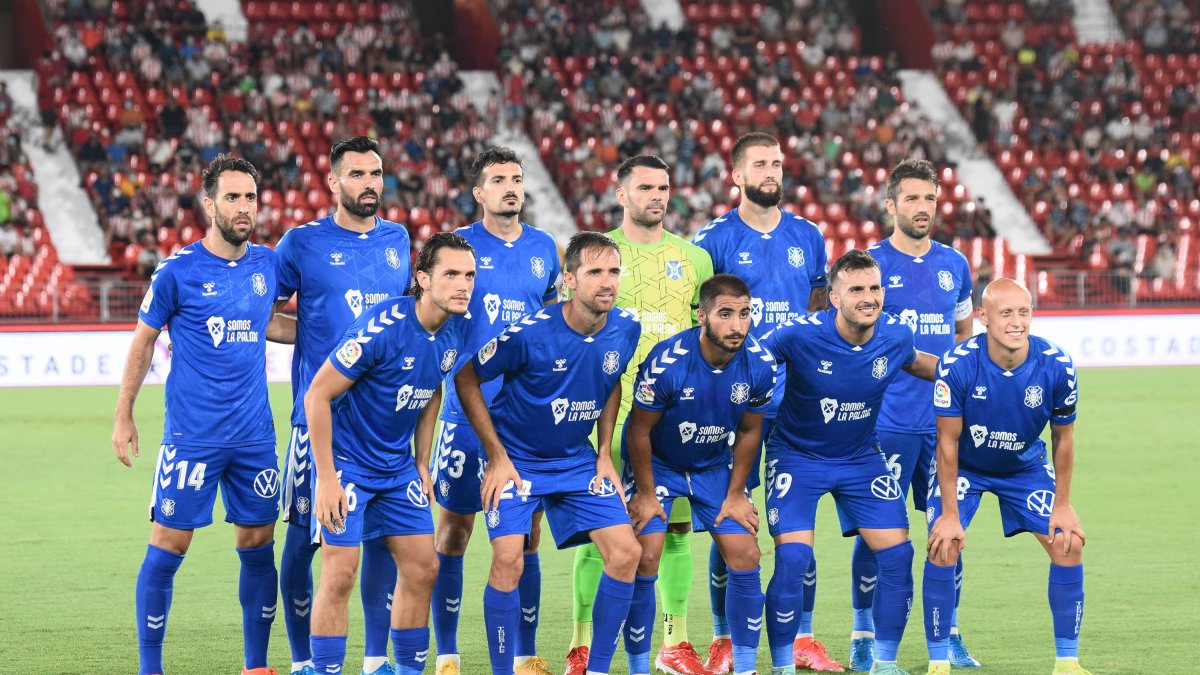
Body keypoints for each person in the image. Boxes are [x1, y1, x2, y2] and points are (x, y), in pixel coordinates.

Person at [112, 154, 293, 675]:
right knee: (169, 544)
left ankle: (255, 666)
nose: (244, 207)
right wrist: (124, 413)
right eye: (232, 197)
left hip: (255, 436)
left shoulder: (267, 264)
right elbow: (144, 341)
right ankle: (151, 669)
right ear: (209, 205)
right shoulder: (178, 271)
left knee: (259, 545)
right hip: (192, 438)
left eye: (250, 197)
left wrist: (330, 340)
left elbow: (270, 324)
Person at [454, 232, 642, 675]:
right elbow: (466, 377)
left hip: (577, 460)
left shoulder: (626, 327)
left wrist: (603, 456)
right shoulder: (529, 333)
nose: (607, 282)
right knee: (508, 557)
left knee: (626, 553)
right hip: (516, 459)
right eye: (594, 272)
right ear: (569, 280)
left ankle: (595, 669)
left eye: (613, 271)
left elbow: (611, 379)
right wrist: (496, 456)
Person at [303, 232, 475, 675]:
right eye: (451, 274)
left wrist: (422, 459)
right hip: (348, 467)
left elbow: (433, 387)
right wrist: (326, 478)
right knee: (340, 574)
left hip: (398, 471)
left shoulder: (458, 326)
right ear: (422, 278)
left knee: (422, 568)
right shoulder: (380, 328)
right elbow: (317, 396)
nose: (463, 284)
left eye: (469, 275)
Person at [761, 249, 939, 675]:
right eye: (856, 289)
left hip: (860, 459)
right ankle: (783, 665)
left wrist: (974, 371)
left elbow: (919, 364)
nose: (869, 297)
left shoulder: (896, 335)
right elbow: (750, 363)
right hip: (796, 457)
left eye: (875, 288)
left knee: (898, 556)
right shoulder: (797, 334)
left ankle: (885, 664)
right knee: (793, 560)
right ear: (834, 298)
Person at [570, 155, 714, 675]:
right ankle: (581, 644)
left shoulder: (694, 258)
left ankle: (674, 641)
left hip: (672, 422)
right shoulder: (602, 254)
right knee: (601, 533)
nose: (658, 195)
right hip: (607, 414)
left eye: (664, 186)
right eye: (646, 187)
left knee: (673, 531)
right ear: (622, 192)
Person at [693, 131, 831, 672]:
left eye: (776, 162)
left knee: (799, 519)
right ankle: (726, 639)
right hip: (736, 399)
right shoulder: (714, 239)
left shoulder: (808, 234)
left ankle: (804, 639)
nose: (771, 171)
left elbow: (819, 305)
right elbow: (699, 319)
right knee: (732, 513)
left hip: (797, 398)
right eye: (759, 164)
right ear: (737, 175)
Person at [274, 136, 413, 675]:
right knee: (305, 541)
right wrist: (312, 334)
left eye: (376, 173)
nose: (369, 184)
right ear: (334, 182)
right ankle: (302, 658)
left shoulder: (399, 240)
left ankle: (376, 660)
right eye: (356, 174)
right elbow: (265, 315)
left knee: (379, 542)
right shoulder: (301, 244)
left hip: (386, 425)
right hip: (321, 422)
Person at [430, 147, 561, 675]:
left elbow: (552, 323)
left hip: (525, 421)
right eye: (498, 180)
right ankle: (446, 653)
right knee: (455, 531)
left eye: (517, 178)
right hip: (466, 415)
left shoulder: (545, 248)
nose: (511, 187)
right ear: (478, 193)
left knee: (526, 536)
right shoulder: (459, 248)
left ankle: (524, 654)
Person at [923, 279, 1087, 675]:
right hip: (966, 467)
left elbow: (1063, 440)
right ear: (983, 318)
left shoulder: (1057, 365)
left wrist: (1062, 506)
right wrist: (948, 514)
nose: (1017, 322)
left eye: (1024, 312)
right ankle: (938, 662)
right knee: (943, 545)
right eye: (1006, 313)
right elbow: (947, 443)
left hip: (1024, 468)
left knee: (1068, 544)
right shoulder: (958, 364)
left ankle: (1068, 662)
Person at [851, 159, 976, 671]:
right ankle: (863, 632)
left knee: (950, 529)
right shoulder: (869, 268)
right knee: (880, 534)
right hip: (884, 425)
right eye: (912, 199)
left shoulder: (955, 265)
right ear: (891, 205)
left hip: (943, 426)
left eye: (929, 198)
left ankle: (947, 635)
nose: (922, 208)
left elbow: (966, 339)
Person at [621, 274, 776, 675]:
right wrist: (645, 492)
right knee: (646, 556)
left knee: (746, 554)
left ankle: (744, 666)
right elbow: (638, 431)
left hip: (712, 465)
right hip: (659, 464)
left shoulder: (759, 363)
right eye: (726, 314)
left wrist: (737, 493)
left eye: (744, 314)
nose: (737, 325)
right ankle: (639, 666)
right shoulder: (667, 362)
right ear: (702, 316)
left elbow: (749, 430)